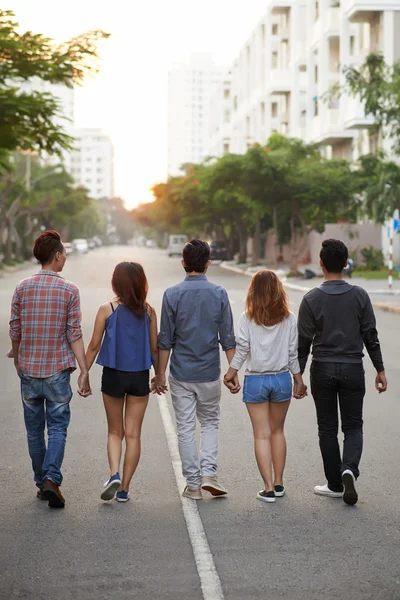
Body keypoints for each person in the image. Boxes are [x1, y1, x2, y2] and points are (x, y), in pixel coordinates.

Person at [298, 239, 387, 506]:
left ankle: (335, 484)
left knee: (327, 428)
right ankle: (349, 469)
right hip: (352, 368)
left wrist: (297, 376)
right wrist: (380, 369)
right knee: (353, 425)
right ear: (346, 264)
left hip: (322, 368)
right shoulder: (360, 295)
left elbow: (302, 342)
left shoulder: (311, 299)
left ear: (321, 264)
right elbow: (370, 335)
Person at [9, 230, 91, 509]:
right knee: (57, 428)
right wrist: (84, 370)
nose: (65, 258)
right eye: (64, 254)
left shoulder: (21, 287)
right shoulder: (70, 290)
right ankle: (51, 480)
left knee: (34, 431)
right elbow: (74, 333)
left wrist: (18, 359)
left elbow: (15, 329)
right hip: (57, 371)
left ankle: (41, 482)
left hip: (29, 371)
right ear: (57, 256)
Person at [155, 240, 237, 500]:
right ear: (208, 264)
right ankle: (209, 474)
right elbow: (228, 338)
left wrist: (159, 374)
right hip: (210, 372)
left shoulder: (171, 294)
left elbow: (165, 339)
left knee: (186, 428)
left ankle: (193, 485)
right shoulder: (219, 293)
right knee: (210, 422)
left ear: (183, 263)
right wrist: (233, 373)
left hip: (181, 374)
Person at [223, 270, 307, 503]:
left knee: (261, 435)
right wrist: (298, 379)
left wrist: (230, 374)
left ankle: (268, 488)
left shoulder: (246, 318)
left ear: (254, 292)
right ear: (279, 292)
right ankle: (279, 483)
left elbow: (241, 351)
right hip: (281, 379)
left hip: (256, 381)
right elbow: (292, 355)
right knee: (278, 431)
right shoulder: (288, 318)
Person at [85, 262, 158, 502]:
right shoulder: (148, 311)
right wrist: (160, 375)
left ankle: (114, 473)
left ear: (116, 283)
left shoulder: (108, 309)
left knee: (115, 431)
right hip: (139, 376)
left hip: (114, 375)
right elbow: (154, 349)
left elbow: (94, 345)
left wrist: (84, 372)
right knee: (134, 435)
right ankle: (124, 488)